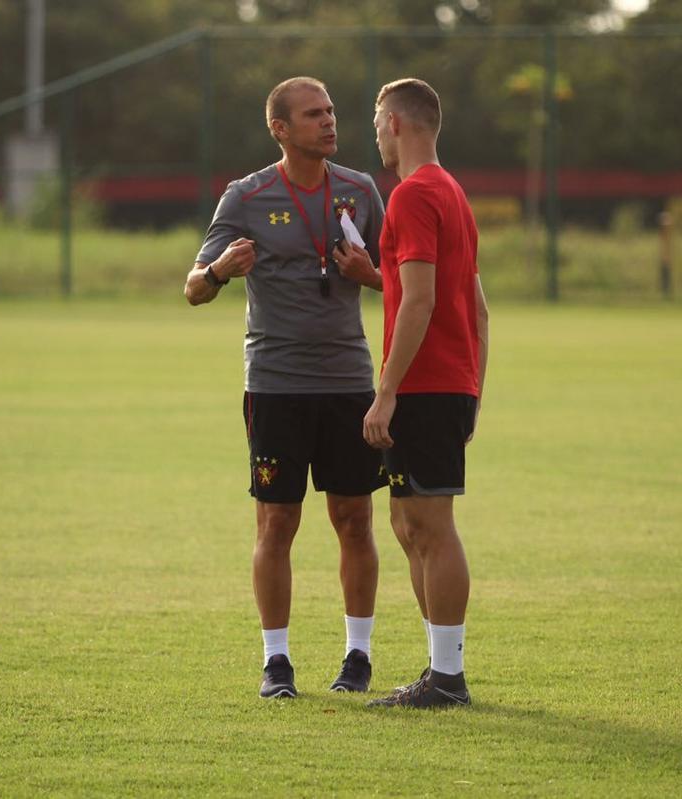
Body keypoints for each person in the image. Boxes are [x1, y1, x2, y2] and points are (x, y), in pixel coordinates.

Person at [184, 77, 387, 699]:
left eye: (331, 111)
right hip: (275, 385)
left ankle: (358, 656)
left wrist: (368, 274)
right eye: (312, 115)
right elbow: (194, 286)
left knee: (354, 519)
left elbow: (406, 280)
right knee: (277, 522)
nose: (328, 123)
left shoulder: (359, 190)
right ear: (280, 128)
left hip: (349, 381)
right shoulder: (246, 196)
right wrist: (222, 269)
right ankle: (277, 662)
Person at [362, 78, 489, 708]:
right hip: (446, 384)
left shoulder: (413, 195)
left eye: (376, 121)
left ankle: (448, 680)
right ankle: (438, 671)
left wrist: (387, 392)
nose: (375, 134)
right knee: (409, 524)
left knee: (431, 527)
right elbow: (480, 309)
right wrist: (475, 389)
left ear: (397, 124)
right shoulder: (454, 194)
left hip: (423, 386)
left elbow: (422, 298)